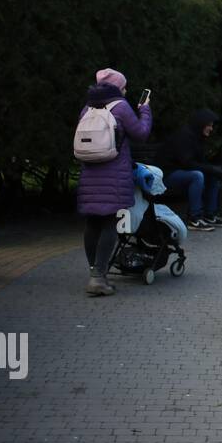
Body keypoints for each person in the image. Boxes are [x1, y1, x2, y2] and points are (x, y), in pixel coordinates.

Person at [76, 68, 152, 296]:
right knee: (109, 222)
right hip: (113, 172)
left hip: (90, 172)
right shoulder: (120, 106)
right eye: (124, 86)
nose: (126, 90)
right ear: (118, 87)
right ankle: (98, 277)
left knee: (92, 222)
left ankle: (94, 273)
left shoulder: (87, 107)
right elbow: (140, 133)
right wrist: (145, 110)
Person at [160, 108, 222, 230]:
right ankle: (195, 218)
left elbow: (199, 162)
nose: (211, 129)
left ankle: (210, 214)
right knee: (197, 175)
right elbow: (188, 163)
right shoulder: (184, 136)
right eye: (209, 125)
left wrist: (215, 169)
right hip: (168, 174)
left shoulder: (198, 137)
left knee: (212, 174)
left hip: (182, 172)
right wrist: (212, 168)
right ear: (201, 124)